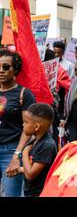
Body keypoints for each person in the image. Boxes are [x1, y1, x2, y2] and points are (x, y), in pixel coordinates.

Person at [0, 50, 36, 197]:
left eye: (6, 67)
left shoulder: (24, 94)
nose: (1, 70)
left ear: (15, 69)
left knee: (12, 194)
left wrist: (17, 154)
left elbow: (28, 129)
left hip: (11, 152)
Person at [19, 103, 57, 197]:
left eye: (26, 122)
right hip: (30, 191)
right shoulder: (35, 140)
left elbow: (30, 174)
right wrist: (18, 169)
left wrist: (24, 152)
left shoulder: (47, 145)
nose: (23, 124)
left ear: (36, 126)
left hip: (40, 193)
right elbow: (33, 166)